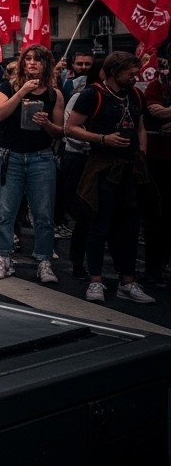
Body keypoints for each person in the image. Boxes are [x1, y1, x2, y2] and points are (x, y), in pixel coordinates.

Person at [65, 51, 156, 304]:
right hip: (102, 168)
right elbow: (70, 127)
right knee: (99, 225)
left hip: (131, 170)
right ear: (115, 71)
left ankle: (128, 282)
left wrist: (141, 151)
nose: (135, 77)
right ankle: (95, 280)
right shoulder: (92, 94)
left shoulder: (135, 94)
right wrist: (102, 139)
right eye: (130, 73)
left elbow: (140, 127)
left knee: (128, 227)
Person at [0, 45, 64, 283]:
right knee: (5, 211)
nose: (32, 63)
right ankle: (3, 257)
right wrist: (22, 92)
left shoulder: (54, 94)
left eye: (38, 59)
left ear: (46, 64)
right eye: (28, 59)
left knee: (43, 213)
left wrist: (46, 124)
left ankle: (44, 261)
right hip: (10, 157)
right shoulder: (7, 87)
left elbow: (59, 132)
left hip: (41, 158)